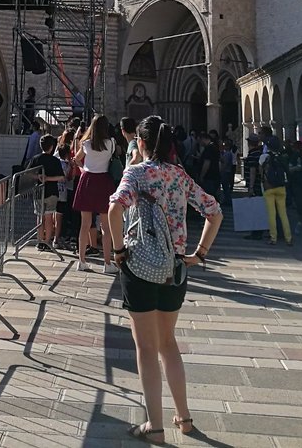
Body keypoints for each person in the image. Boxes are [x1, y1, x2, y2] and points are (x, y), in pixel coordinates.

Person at [106, 115, 222, 443]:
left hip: (140, 267)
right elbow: (214, 212)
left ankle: (154, 427)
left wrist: (117, 251)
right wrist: (198, 254)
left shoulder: (136, 173)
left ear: (140, 144)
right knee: (168, 344)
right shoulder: (180, 176)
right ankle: (184, 418)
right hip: (175, 270)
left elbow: (115, 210)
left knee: (145, 348)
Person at [72, 113, 116, 272]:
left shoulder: (86, 144)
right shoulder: (111, 143)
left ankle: (82, 261)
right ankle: (107, 263)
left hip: (88, 180)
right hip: (104, 181)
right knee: (106, 226)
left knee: (84, 224)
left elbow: (76, 159)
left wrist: (82, 170)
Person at [28, 134, 65, 250]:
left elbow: (27, 173)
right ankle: (48, 241)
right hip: (52, 191)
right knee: (49, 216)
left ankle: (40, 240)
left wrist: (38, 176)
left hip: (39, 191)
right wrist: (48, 178)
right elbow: (61, 177)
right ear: (52, 147)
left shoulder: (36, 159)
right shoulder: (55, 161)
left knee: (40, 217)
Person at [259, 138, 293, 245]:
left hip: (269, 188)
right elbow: (287, 171)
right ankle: (288, 238)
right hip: (281, 187)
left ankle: (273, 238)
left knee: (271, 214)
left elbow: (261, 172)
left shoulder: (264, 157)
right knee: (283, 214)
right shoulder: (282, 158)